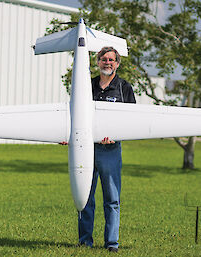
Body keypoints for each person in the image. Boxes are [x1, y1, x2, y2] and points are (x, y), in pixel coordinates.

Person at [78, 46, 136, 252]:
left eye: (111, 60)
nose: (107, 63)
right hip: (86, 149)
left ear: (117, 64)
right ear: (98, 62)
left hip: (110, 151)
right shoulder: (86, 86)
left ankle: (111, 243)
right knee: (85, 197)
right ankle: (85, 241)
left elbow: (131, 120)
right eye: (103, 59)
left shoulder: (124, 88)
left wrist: (114, 136)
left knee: (112, 199)